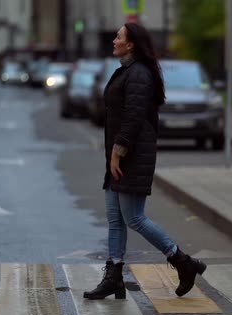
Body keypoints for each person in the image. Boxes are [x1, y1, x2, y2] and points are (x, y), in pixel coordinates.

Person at [83, 23, 206, 300]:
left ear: (131, 45)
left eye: (118, 37)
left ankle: (184, 263)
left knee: (134, 218)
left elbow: (134, 115)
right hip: (120, 154)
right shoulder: (128, 70)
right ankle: (114, 277)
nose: (113, 40)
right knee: (116, 220)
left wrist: (119, 149)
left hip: (131, 155)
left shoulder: (138, 74)